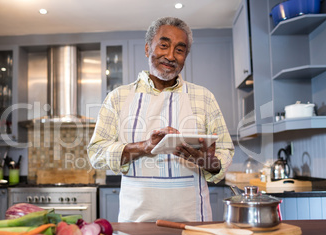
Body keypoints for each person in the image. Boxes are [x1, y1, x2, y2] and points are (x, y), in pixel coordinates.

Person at [88, 17, 234, 222]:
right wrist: (143, 146)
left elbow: (225, 150)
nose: (171, 55)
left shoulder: (204, 97)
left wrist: (210, 163)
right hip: (136, 222)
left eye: (180, 50)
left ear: (186, 56)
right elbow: (96, 153)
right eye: (164, 45)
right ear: (148, 49)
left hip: (193, 222)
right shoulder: (118, 98)